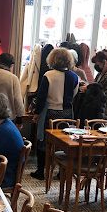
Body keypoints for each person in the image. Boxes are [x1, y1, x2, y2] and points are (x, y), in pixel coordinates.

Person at [31, 48, 79, 180]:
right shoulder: (75, 77)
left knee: (43, 141)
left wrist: (36, 113)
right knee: (64, 142)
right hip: (68, 113)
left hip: (50, 112)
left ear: (52, 59)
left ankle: (41, 171)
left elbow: (41, 97)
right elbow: (74, 95)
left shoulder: (48, 75)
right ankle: (61, 171)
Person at [90, 49, 107, 120]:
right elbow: (95, 86)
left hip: (105, 108)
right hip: (98, 105)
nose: (96, 66)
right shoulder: (99, 74)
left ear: (105, 62)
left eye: (98, 64)